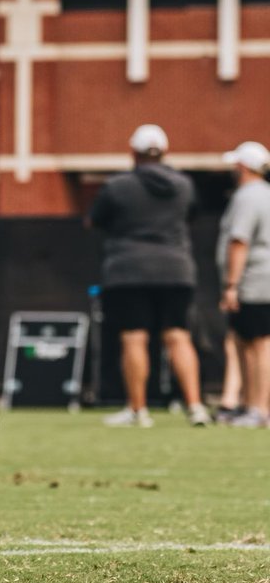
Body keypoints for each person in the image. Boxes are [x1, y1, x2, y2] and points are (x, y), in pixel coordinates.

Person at [88, 124, 210, 427]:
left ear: (133, 153)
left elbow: (94, 220)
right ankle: (196, 407)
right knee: (178, 336)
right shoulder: (184, 185)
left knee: (134, 338)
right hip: (176, 269)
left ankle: (138, 411)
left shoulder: (117, 186)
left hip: (128, 270)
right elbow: (192, 215)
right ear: (164, 152)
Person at [216, 141, 270, 427]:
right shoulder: (264, 194)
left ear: (244, 166)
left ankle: (258, 408)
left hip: (255, 282)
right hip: (262, 280)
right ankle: (252, 405)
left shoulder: (248, 196)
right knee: (245, 342)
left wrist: (232, 284)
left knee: (257, 345)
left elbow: (240, 242)